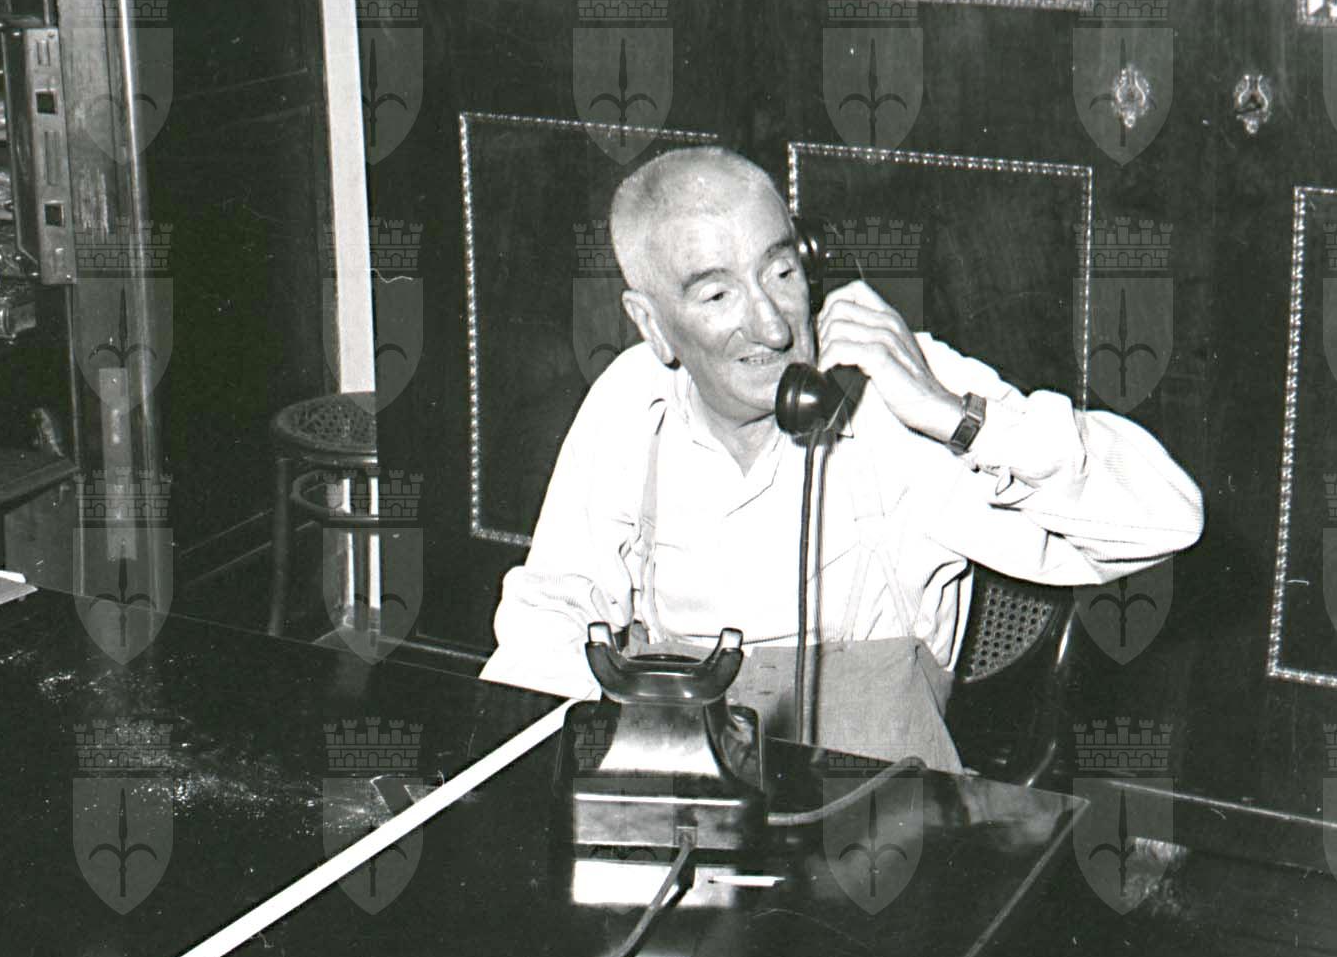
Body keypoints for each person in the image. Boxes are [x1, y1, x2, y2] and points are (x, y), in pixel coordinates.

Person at [479, 147, 1203, 772]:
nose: (772, 325)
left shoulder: (895, 392)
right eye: (718, 294)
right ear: (652, 324)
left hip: (875, 829)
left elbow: (1169, 519)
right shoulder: (633, 399)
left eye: (781, 272)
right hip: (683, 803)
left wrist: (957, 418)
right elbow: (553, 608)